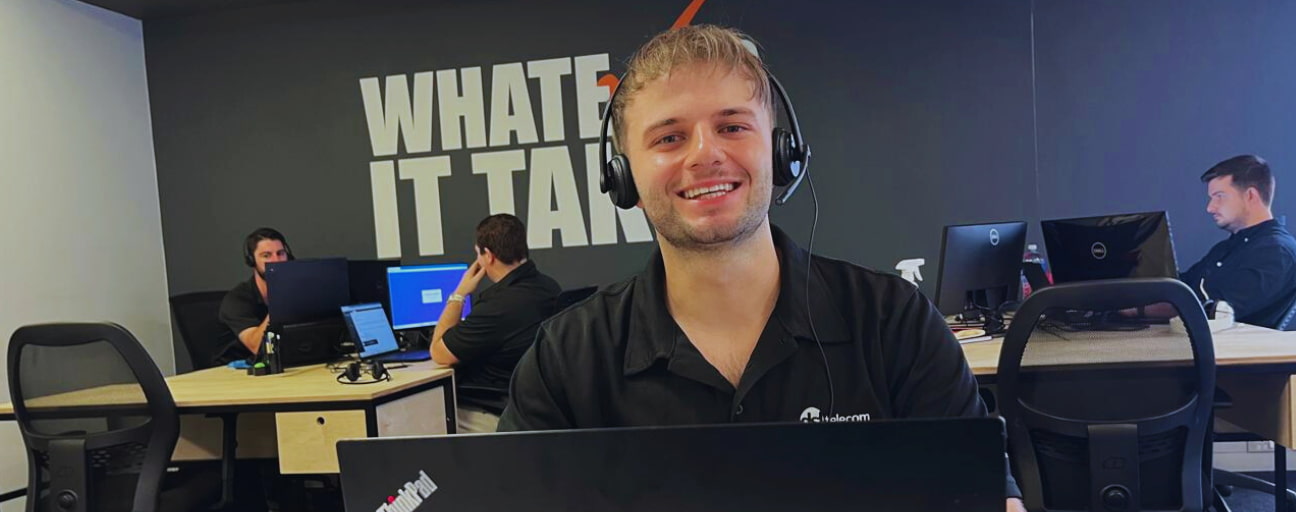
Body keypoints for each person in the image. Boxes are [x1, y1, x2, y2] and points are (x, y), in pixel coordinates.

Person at [497, 25, 1023, 510]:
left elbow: (987, 499)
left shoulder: (893, 322)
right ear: (623, 179)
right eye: (669, 137)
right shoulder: (567, 359)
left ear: (782, 152)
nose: (705, 154)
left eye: (731, 125)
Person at [430, 213, 562, 433]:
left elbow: (439, 353)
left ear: (488, 256)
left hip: (493, 410)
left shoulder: (497, 308)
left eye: (478, 255)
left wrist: (459, 293)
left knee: (425, 421)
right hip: (535, 407)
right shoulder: (549, 287)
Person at [1177, 155, 1296, 328]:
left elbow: (1213, 310)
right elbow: (1183, 285)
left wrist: (1137, 309)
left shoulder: (1277, 252)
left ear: (1250, 196)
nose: (1210, 207)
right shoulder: (1226, 248)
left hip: (1236, 352)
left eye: (1219, 196)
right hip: (1207, 347)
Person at [218, 227, 293, 363]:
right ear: (252, 260)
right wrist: (279, 303)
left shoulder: (295, 291)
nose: (276, 261)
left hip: (280, 365)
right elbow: (256, 345)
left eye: (280, 253)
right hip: (236, 372)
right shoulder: (236, 300)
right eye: (266, 255)